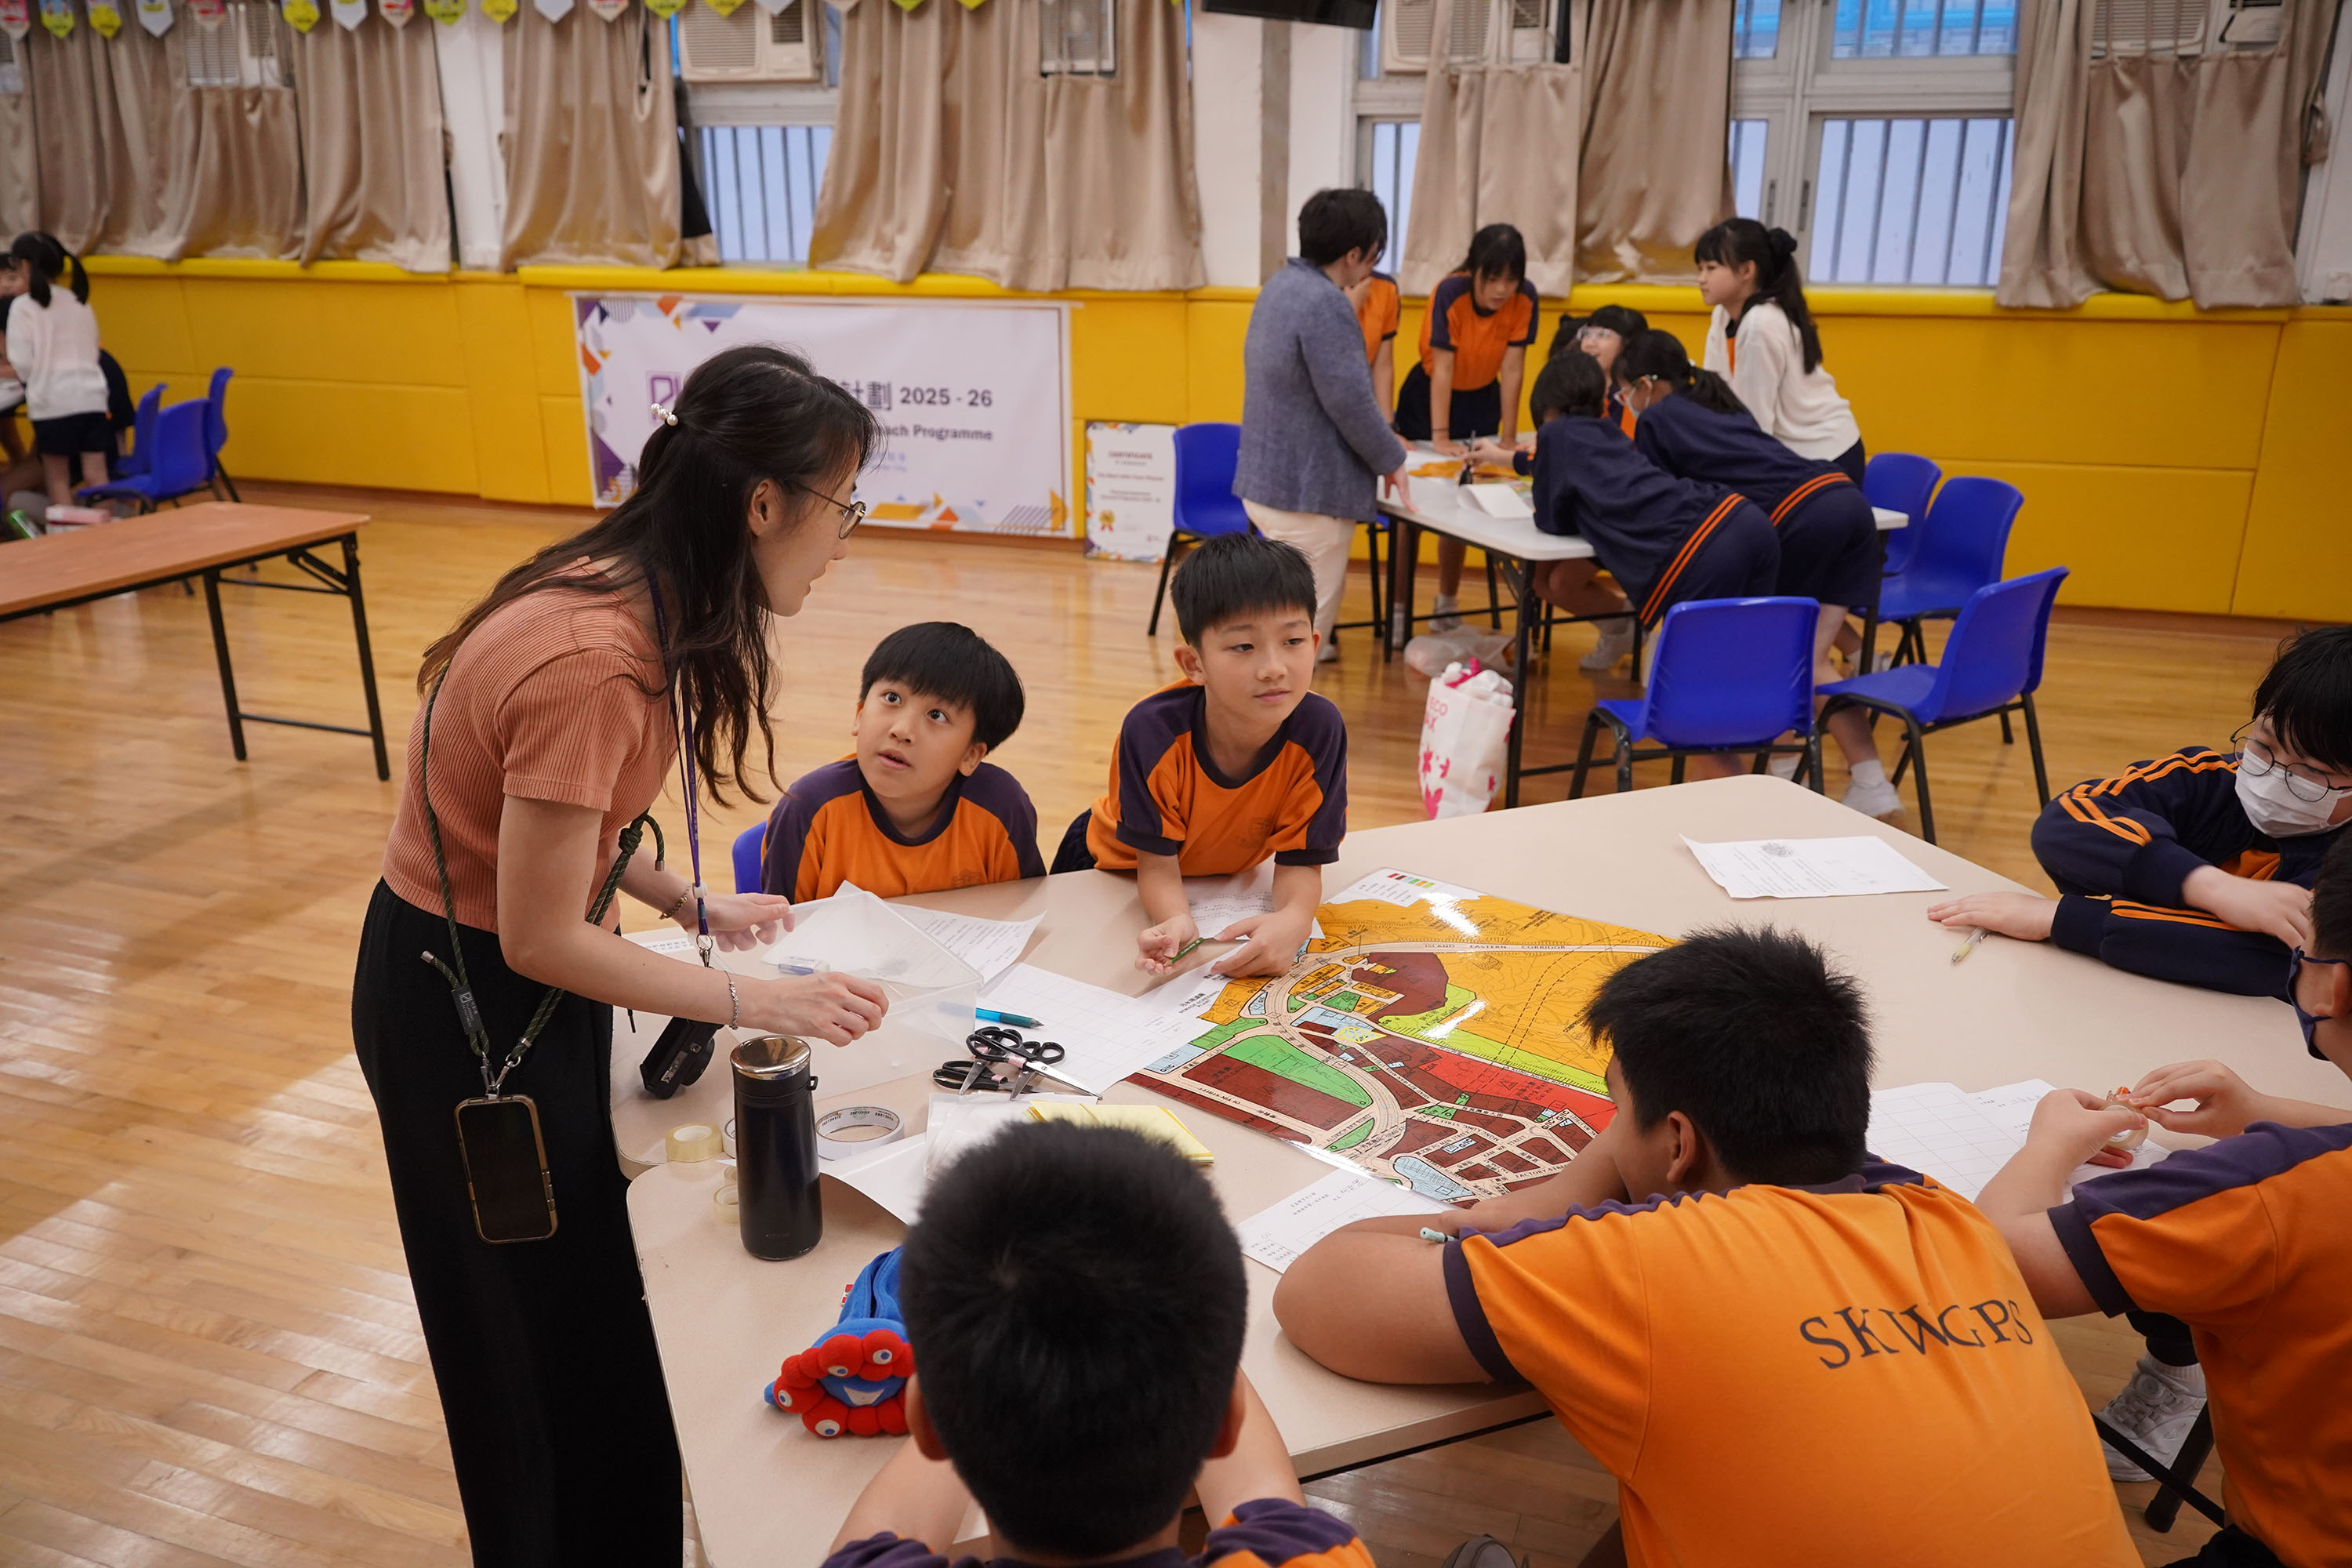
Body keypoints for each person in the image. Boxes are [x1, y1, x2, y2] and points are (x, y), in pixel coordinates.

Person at [351, 345, 895, 1567]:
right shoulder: (599, 658)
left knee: (589, 1320)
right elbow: (540, 934)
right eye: (843, 506)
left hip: (501, 976)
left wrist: (691, 902)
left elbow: (559, 830)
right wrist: (761, 999)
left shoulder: (632, 595)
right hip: (468, 1006)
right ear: (765, 505)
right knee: (534, 1347)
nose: (844, 538)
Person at [1272, 927, 2139, 1567]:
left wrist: (1542, 1202)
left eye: (1616, 1110)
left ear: (1679, 1144)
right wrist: (2047, 1148)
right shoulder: (1942, 1217)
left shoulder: (1650, 1262)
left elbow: (1320, 1293)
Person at [1975, 829, 2352, 1567]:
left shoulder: (2274, 1188)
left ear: (2331, 988)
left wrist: (2050, 1142)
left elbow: (2000, 1262)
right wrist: (2259, 1109)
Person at [822, 1121, 1372, 1568]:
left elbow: (884, 1529)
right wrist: (1182, 1330)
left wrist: (970, 1385)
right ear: (1226, 1420)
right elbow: (1262, 1490)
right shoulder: (1307, 1558)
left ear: (924, 1423)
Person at [1926, 625, 2352, 993]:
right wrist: (2213, 888)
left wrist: (2059, 918)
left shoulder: (2343, 865)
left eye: (2312, 771)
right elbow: (2065, 822)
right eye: (2263, 744)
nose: (2273, 774)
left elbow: (2268, 960)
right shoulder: (2210, 777)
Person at [1613, 329, 1896, 817]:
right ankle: (1872, 783)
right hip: (1845, 499)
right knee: (1813, 661)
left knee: (1782, 665)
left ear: (1646, 384)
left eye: (1624, 392)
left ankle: (1786, 776)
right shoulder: (1720, 402)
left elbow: (1665, 499)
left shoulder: (1657, 418)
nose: (1625, 403)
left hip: (1801, 518)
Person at [1050, 533, 1344, 979]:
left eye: (1293, 641)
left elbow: (1302, 858)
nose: (1274, 668)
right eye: (1243, 647)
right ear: (1194, 664)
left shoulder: (1320, 729)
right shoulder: (1152, 731)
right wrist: (1175, 919)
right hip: (1112, 870)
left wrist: (1294, 919)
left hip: (1220, 885)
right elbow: (1155, 864)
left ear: (1315, 642)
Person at [1523, 351, 1778, 740]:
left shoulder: (1555, 434)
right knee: (1753, 668)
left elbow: (1550, 521)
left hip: (1700, 544)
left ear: (1547, 409)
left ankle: (1715, 765)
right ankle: (1783, 761)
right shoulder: (1609, 429)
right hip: (1744, 518)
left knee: (1680, 707)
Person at [1235, 188, 1410, 665]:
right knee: (1296, 645)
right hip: (1308, 496)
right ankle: (1284, 714)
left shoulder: (1279, 286)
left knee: (1276, 631)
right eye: (1373, 253)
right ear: (1353, 255)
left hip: (1268, 484)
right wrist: (1392, 459)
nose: (1373, 264)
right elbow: (1351, 402)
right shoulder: (1325, 303)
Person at [760, 622, 1042, 903]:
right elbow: (782, 926)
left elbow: (1026, 916)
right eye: (892, 698)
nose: (902, 730)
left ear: (970, 755)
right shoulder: (809, 808)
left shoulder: (1001, 808)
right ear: (859, 715)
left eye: (937, 715)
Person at [1396, 225, 1539, 635]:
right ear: (1473, 270)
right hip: (1429, 399)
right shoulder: (1449, 292)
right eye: (1492, 279)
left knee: (1462, 497)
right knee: (1411, 507)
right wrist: (1440, 436)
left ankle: (1447, 602)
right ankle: (1400, 611)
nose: (1502, 289)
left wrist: (1508, 438)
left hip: (1480, 401)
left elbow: (1513, 369)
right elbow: (1442, 368)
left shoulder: (1526, 297)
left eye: (1510, 279)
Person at [1697, 220, 1865, 484]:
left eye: (1711, 268)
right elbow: (1713, 396)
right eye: (1700, 269)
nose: (1701, 279)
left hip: (1824, 456)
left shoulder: (1760, 325)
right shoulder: (1722, 315)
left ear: (1747, 270)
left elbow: (1756, 425)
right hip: (1783, 453)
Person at [3, 232, 110, 510]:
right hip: (93, 398)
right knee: (97, 475)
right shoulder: (77, 300)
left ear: (24, 266)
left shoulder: (23, 307)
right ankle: (110, 531)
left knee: (57, 479)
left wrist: (34, 381)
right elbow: (94, 350)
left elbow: (22, 362)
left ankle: (66, 533)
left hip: (53, 403)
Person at [1347, 266, 1401, 418]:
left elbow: (1382, 367)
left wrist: (1388, 425)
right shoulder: (1317, 287)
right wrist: (1349, 310)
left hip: (1362, 405)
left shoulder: (1384, 286)